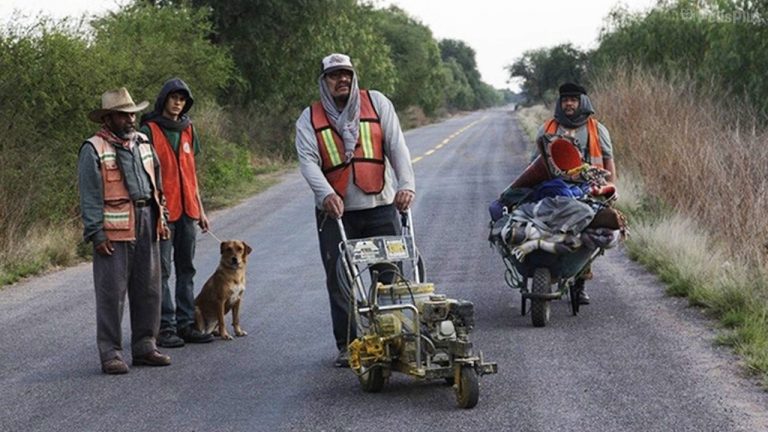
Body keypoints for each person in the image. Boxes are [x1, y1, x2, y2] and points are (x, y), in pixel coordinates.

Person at [295, 53, 416, 367]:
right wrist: (325, 195)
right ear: (324, 82)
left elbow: (396, 146)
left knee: (389, 275)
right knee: (341, 279)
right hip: (336, 214)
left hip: (380, 206)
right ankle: (350, 344)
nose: (342, 80)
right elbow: (308, 162)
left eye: (346, 73)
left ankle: (394, 339)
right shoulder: (309, 118)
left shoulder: (376, 103)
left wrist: (406, 185)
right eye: (334, 75)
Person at [78, 87, 172, 374]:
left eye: (132, 113)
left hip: (147, 220)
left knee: (150, 289)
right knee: (111, 294)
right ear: (108, 118)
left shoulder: (143, 142)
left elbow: (158, 184)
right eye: (123, 115)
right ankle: (111, 353)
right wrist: (96, 232)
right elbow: (89, 195)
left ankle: (145, 346)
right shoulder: (93, 148)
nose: (130, 119)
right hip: (114, 229)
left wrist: (163, 218)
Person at [139, 78, 213, 347]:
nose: (178, 102)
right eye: (174, 97)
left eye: (183, 98)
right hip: (163, 213)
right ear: (164, 100)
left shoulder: (188, 128)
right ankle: (166, 327)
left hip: (188, 212)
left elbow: (191, 174)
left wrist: (201, 211)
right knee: (163, 271)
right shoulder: (149, 130)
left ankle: (186, 324)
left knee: (187, 268)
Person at [535, 82, 618, 305]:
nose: (569, 104)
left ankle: (580, 282)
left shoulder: (596, 129)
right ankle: (548, 269)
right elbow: (537, 163)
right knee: (547, 227)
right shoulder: (548, 128)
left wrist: (610, 189)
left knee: (586, 232)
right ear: (560, 103)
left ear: (582, 102)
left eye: (573, 99)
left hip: (589, 188)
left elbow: (609, 162)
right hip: (555, 189)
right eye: (565, 100)